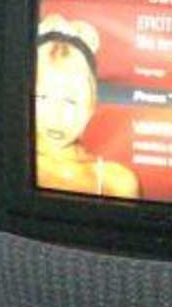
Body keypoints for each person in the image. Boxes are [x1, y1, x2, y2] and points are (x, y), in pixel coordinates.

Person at [32, 15, 140, 198]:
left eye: (70, 101)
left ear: (90, 105)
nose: (56, 115)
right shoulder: (7, 167)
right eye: (42, 97)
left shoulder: (118, 182)